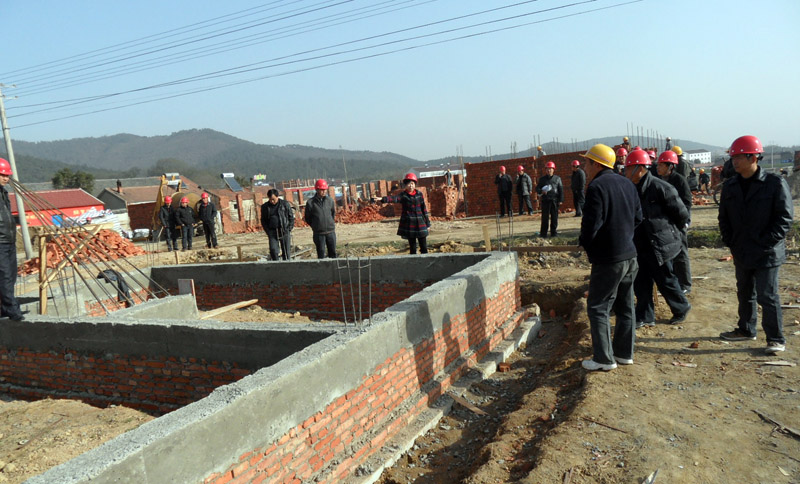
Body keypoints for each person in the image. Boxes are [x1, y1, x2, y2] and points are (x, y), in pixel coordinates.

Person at [718, 135, 794, 354]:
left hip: (767, 252)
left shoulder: (774, 184)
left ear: (753, 158)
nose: (734, 162)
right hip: (741, 250)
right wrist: (730, 241)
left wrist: (766, 241)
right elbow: (724, 218)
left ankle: (775, 339)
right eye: (733, 158)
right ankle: (746, 329)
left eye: (738, 157)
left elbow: (784, 218)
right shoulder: (731, 186)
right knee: (744, 292)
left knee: (767, 296)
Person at [578, 144, 642, 371]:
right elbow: (638, 217)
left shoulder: (597, 187)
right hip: (630, 255)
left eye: (587, 163)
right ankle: (624, 354)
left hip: (609, 258)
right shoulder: (627, 183)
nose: (584, 167)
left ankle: (604, 359)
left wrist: (588, 246)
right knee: (626, 306)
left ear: (597, 164)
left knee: (598, 306)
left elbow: (591, 225)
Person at [624, 149, 691, 328]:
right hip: (640, 242)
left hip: (659, 243)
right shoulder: (631, 189)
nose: (625, 172)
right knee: (641, 281)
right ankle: (645, 315)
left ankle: (681, 308)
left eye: (628, 168)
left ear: (640, 168)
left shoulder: (661, 188)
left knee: (665, 279)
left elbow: (681, 214)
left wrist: (669, 234)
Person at [657, 150, 693, 295]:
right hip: (667, 222)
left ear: (670, 166)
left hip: (678, 221)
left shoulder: (679, 180)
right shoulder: (660, 180)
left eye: (661, 165)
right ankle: (675, 282)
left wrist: (684, 221)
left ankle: (685, 284)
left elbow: (687, 202)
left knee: (681, 253)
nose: (658, 168)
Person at [380, 173, 431, 254]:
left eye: (412, 183)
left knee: (424, 248)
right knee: (413, 248)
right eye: (408, 184)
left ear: (415, 184)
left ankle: (425, 260)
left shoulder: (419, 194)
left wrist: (428, 224)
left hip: (420, 223)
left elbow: (424, 210)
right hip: (410, 224)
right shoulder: (403, 195)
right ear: (406, 185)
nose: (410, 186)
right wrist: (383, 199)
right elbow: (394, 198)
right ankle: (413, 261)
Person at [0, 159, 24, 322]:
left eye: (7, 175)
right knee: (5, 276)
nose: (6, 178)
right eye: (2, 175)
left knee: (12, 275)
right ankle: (13, 310)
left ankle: (4, 307)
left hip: (9, 240)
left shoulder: (4, 193)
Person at [305, 179, 337, 258]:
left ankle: (333, 266)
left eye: (325, 189)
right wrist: (316, 225)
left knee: (333, 253)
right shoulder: (310, 203)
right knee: (321, 253)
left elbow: (332, 213)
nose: (324, 191)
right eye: (322, 190)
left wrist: (330, 223)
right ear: (317, 189)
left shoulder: (330, 201)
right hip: (319, 234)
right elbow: (308, 218)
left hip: (330, 232)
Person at [260, 189, 294, 260]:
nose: (272, 201)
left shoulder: (285, 204)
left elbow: (291, 217)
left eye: (273, 199)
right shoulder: (265, 207)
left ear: (277, 196)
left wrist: (289, 228)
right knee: (273, 250)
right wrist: (268, 231)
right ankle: (276, 264)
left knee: (286, 252)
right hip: (272, 232)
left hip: (284, 230)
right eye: (270, 199)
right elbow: (263, 220)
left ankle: (287, 265)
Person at [535, 161, 563, 237]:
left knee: (554, 217)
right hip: (545, 200)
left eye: (550, 169)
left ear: (553, 169)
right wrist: (541, 191)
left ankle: (553, 232)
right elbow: (537, 188)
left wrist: (560, 200)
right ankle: (543, 233)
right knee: (545, 218)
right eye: (547, 169)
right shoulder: (542, 179)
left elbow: (560, 190)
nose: (549, 170)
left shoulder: (557, 179)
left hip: (554, 200)